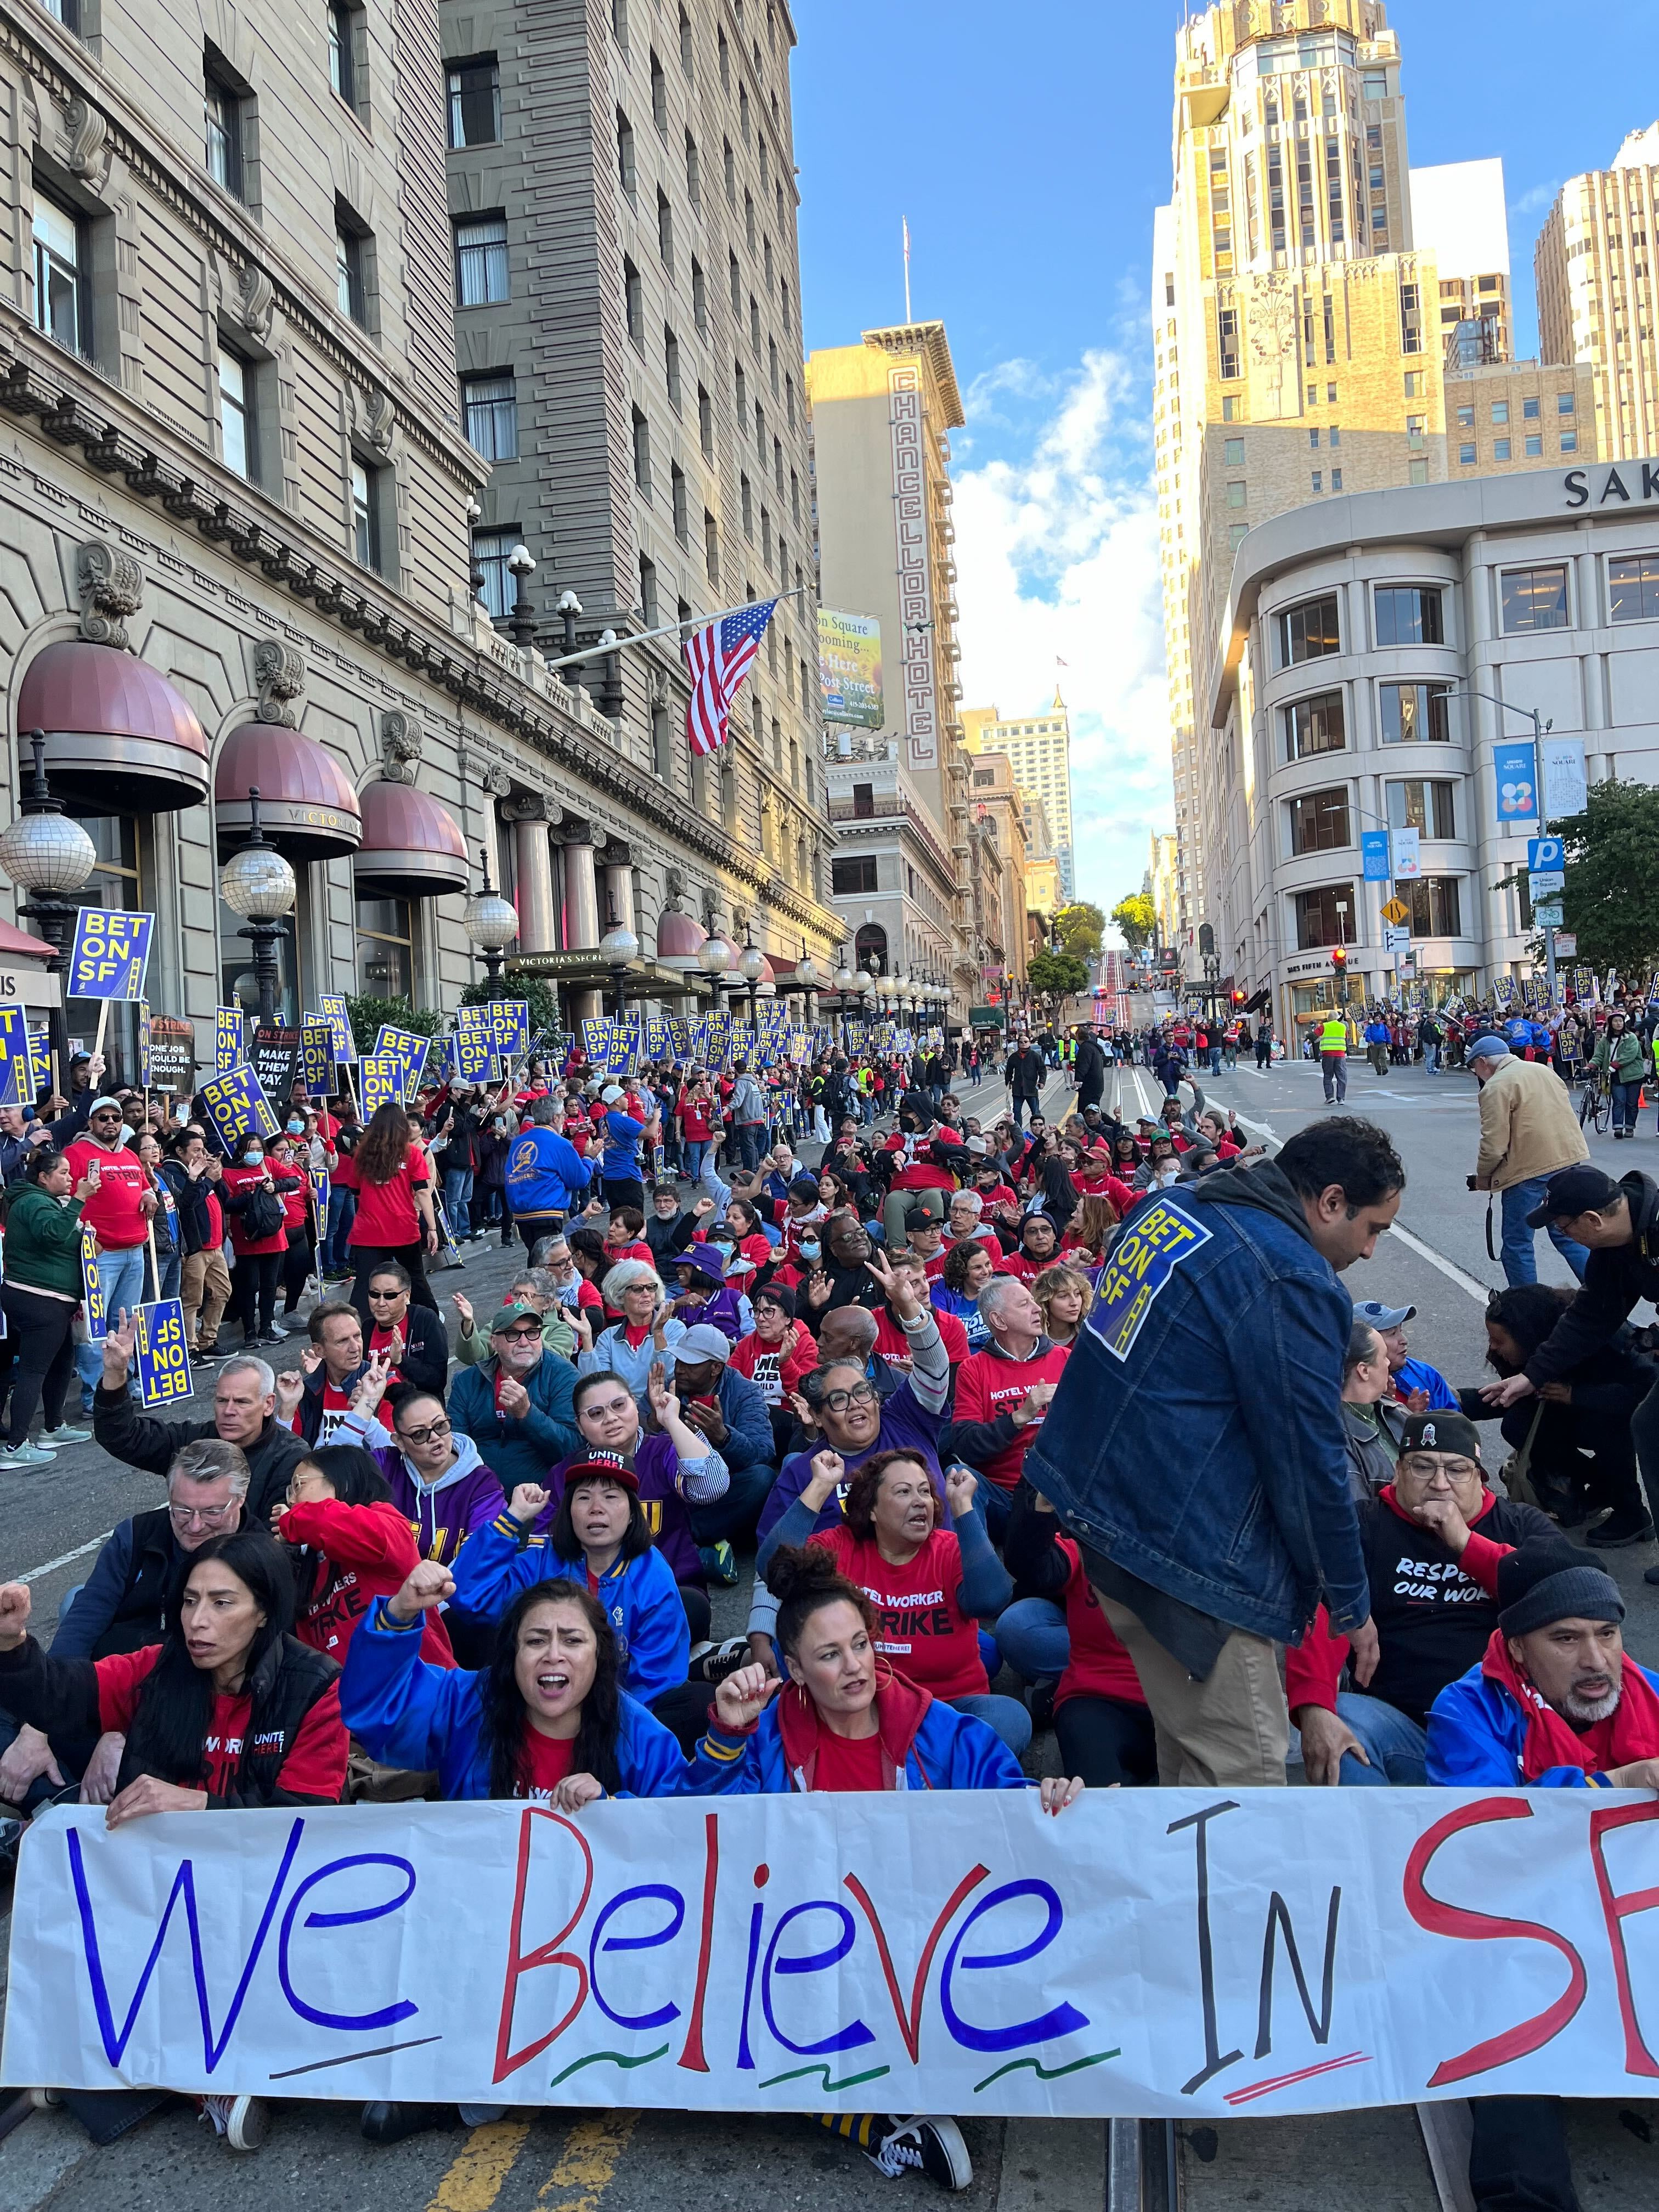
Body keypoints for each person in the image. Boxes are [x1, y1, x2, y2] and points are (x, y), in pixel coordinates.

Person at [681, 1548, 1083, 2193]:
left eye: (861, 1645)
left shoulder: (943, 1732)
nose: (854, 1667)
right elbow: (699, 1838)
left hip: (922, 1946)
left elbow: (1009, 1813)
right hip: (809, 1948)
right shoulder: (767, 1734)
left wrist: (1050, 1803)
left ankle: (890, 2101)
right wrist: (727, 1736)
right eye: (830, 1655)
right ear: (794, 1670)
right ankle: (878, 2122)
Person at [1028, 1119, 1402, 1787]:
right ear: (1331, 1201)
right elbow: (1311, 1461)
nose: (1371, 1251)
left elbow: (1105, 1346)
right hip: (1192, 1554)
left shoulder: (1176, 1206)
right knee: (1242, 1790)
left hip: (1105, 1510)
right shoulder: (1292, 1278)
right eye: (1374, 1228)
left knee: (1189, 1759)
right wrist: (1352, 1603)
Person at [340, 1565, 696, 2145]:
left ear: (600, 1657)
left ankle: (475, 2084)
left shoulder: (640, 1731)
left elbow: (682, 1837)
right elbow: (377, 1709)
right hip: (480, 1933)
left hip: (596, 1945)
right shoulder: (469, 1704)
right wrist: (400, 1614)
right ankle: (454, 2079)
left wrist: (615, 1807)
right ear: (512, 1656)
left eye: (572, 1640)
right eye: (536, 1641)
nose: (552, 1656)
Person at [1426, 1535, 1659, 2212]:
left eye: (1608, 1634)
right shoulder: (1465, 1709)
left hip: (1635, 1926)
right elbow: (1475, 1845)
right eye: (1566, 1638)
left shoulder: (1649, 1691)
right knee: (1492, 1998)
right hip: (1525, 1932)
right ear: (1519, 1647)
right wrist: (1615, 1783)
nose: (1596, 1661)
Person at [1291, 1412, 1554, 1786]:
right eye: (1423, 1467)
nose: (1440, 1484)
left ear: (1481, 1478)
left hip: (1508, 1728)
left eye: (1457, 1469)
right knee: (1341, 1721)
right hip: (1404, 1727)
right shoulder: (1362, 1525)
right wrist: (1314, 1704)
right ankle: (1375, 1845)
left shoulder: (1520, 1524)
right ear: (1398, 1471)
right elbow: (1316, 1606)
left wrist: (1465, 1543)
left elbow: (1576, 1592)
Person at [0, 1440, 250, 1817]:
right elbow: (83, 1622)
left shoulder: (257, 1560)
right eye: (182, 1510)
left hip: (182, 1718)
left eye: (211, 1512)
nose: (195, 1526)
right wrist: (39, 1728)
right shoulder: (135, 1536)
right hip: (105, 1687)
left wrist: (128, 1736)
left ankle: (55, 1803)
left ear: (241, 1501)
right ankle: (61, 1798)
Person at [759, 1447, 1027, 1751]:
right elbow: (774, 1567)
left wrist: (963, 1509)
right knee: (786, 1713)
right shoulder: (842, 1547)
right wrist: (821, 1486)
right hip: (862, 1711)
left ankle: (890, 1766)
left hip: (945, 1710)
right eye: (903, 1492)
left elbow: (991, 1600)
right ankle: (922, 1770)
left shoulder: (949, 1548)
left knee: (1009, 1717)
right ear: (871, 1508)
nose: (920, 1502)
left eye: (925, 1492)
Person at [449, 1461, 712, 1746]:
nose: (596, 1507)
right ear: (569, 1512)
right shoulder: (542, 1562)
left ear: (633, 1514)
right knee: (462, 1632)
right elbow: (467, 1596)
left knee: (699, 1704)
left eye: (611, 1497)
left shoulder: (652, 1573)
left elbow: (653, 1681)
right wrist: (512, 1519)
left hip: (618, 1709)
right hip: (542, 1700)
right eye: (584, 1497)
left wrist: (597, 1733)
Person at [1479, 1165, 1659, 1556]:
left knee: (1643, 1422)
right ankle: (1622, 1503)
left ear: (1593, 1220)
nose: (1561, 1235)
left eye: (1563, 1227)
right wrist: (1532, 1375)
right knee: (1648, 1425)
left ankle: (1631, 1510)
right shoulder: (1612, 1250)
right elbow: (1588, 1318)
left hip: (1634, 1382)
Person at [1462, 1280, 1655, 1538]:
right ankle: (1601, 1483)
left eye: (1499, 1340)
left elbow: (1645, 1393)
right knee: (1518, 1426)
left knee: (1604, 1426)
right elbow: (1512, 1398)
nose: (1493, 1347)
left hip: (1623, 1415)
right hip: (1576, 1409)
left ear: (1528, 1335)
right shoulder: (1528, 1352)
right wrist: (1453, 1401)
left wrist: (1576, 1395)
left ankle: (1631, 1512)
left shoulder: (1604, 1339)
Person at [998, 1484, 1156, 1784]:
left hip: (1180, 1698)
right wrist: (1041, 1490)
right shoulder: (1089, 1535)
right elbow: (1034, 1566)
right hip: (1097, 1696)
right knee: (1099, 1801)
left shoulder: (1194, 1542)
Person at [93, 1327, 308, 1523]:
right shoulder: (194, 1443)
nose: (229, 1410)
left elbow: (275, 1539)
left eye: (242, 1402)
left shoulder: (290, 1457)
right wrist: (115, 1373)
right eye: (222, 1400)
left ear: (268, 1404)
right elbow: (122, 1436)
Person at [274, 1440, 452, 1667]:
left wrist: (293, 1520)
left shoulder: (386, 1521)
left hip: (422, 1691)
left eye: (298, 1485)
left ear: (344, 1483)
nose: (291, 1500)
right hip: (353, 1699)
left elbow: (328, 1522)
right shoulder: (311, 1569)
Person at [940, 1276, 1070, 1539]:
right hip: (1004, 1498)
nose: (1037, 1308)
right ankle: (973, 1574)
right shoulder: (973, 1369)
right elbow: (965, 1445)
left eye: (1034, 1301)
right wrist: (1020, 1417)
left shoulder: (1066, 1359)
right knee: (958, 1474)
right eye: (1025, 1304)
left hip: (1060, 1497)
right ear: (999, 1321)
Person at [0, 1148, 99, 1469]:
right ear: (43, 1177)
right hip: (38, 1298)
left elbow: (61, 1240)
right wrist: (81, 1200)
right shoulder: (32, 1202)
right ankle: (15, 1446)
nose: (71, 1178)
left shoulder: (45, 1203)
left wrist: (86, 1238)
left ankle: (53, 1427)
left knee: (61, 1360)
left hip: (51, 1298)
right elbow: (53, 1234)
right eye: (64, 1173)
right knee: (33, 1369)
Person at [1465, 1032, 1589, 1286]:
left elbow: (1493, 1144)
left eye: (1473, 1068)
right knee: (1567, 1232)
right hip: (1567, 1160)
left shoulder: (1496, 1086)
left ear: (1483, 1063)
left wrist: (1483, 1178)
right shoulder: (1543, 1071)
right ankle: (1604, 1294)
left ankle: (1526, 1308)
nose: (1476, 1074)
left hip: (1529, 1170)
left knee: (1518, 1242)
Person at [447, 1300, 581, 1488]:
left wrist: (527, 1413)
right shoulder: (467, 1381)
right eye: (512, 1334)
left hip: (543, 1493)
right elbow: (454, 1445)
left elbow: (571, 1448)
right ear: (493, 1342)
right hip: (478, 1493)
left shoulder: (563, 1375)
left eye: (532, 1333)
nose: (524, 1342)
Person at [64, 1094, 156, 1351]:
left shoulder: (130, 1154)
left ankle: (121, 1383)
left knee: (125, 1323)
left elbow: (145, 1187)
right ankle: (94, 1389)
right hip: (100, 1255)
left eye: (116, 1118)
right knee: (95, 1325)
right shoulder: (75, 1154)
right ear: (91, 1122)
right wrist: (82, 1236)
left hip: (135, 1252)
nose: (110, 1123)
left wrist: (149, 1197)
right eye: (103, 1118)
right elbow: (62, 1199)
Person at [331, 1102, 441, 1314]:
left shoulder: (362, 1156)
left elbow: (356, 1190)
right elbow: (423, 1192)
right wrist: (433, 1229)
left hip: (369, 1231)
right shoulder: (412, 1154)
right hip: (403, 1228)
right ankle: (431, 1322)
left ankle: (358, 1332)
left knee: (366, 1285)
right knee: (414, 1279)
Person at [219, 1126, 301, 1348]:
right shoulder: (229, 1173)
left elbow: (294, 1180)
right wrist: (249, 1197)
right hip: (247, 1238)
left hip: (274, 1235)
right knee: (249, 1286)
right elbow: (227, 1204)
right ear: (240, 1153)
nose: (254, 1153)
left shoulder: (269, 1164)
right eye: (249, 1150)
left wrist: (276, 1185)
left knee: (269, 1286)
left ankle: (266, 1327)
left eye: (258, 1149)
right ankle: (250, 1332)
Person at [579, 1260, 685, 1402]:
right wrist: (586, 1337)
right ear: (620, 1295)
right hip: (621, 1410)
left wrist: (659, 1333)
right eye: (637, 1289)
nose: (647, 1294)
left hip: (660, 1408)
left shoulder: (674, 1328)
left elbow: (669, 1376)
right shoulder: (608, 1337)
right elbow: (596, 1386)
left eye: (651, 1287)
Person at [359, 1260, 449, 1397]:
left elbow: (437, 1380)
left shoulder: (424, 1320)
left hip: (417, 1411)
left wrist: (400, 1360)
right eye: (375, 1295)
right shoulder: (366, 1329)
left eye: (390, 1296)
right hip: (375, 1411)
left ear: (407, 1296)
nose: (381, 1303)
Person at [1351, 1297, 1457, 1411]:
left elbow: (1454, 1420)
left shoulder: (1425, 1373)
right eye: (1392, 1333)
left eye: (1400, 1331)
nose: (1404, 1340)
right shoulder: (1347, 1393)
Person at [1339, 1317, 1402, 1500]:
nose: (1389, 1364)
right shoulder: (1335, 1439)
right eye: (1383, 1357)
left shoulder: (1395, 1409)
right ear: (1364, 1371)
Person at [928, 1238, 996, 1352]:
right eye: (977, 1267)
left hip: (993, 1360)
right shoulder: (943, 1291)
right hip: (957, 1360)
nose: (986, 1272)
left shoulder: (1000, 1289)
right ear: (961, 1271)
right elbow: (939, 1332)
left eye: (988, 1264)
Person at [1595, 1005, 1646, 1138]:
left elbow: (1630, 1055)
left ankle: (1629, 1127)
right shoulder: (1605, 1040)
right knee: (1619, 1101)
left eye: (1620, 1021)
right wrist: (1590, 1066)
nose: (1618, 1023)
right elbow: (1599, 1056)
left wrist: (1614, 1065)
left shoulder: (1631, 1038)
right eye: (1615, 1021)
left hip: (1633, 1076)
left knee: (1631, 1103)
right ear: (1611, 1023)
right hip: (1616, 1076)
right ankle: (1618, 1127)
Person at [1003, 1037, 1044, 1130]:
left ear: (1029, 1043)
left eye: (1026, 1042)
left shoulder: (1035, 1056)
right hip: (1018, 1090)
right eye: (1021, 1042)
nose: (1023, 1043)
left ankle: (1039, 1130)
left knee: (1036, 1112)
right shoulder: (1013, 1057)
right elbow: (1009, 1072)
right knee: (1017, 1111)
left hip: (1031, 1089)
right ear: (1018, 1044)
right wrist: (1008, 1083)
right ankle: (1018, 1131)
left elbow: (1042, 1069)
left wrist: (1042, 1082)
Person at [1315, 1008, 1347, 1103]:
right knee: (1341, 1077)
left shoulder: (1324, 1026)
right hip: (1340, 1055)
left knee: (1328, 1076)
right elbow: (1346, 1037)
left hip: (1328, 1055)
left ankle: (1330, 1097)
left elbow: (1315, 1035)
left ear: (1329, 1018)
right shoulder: (1343, 1027)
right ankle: (1341, 1098)